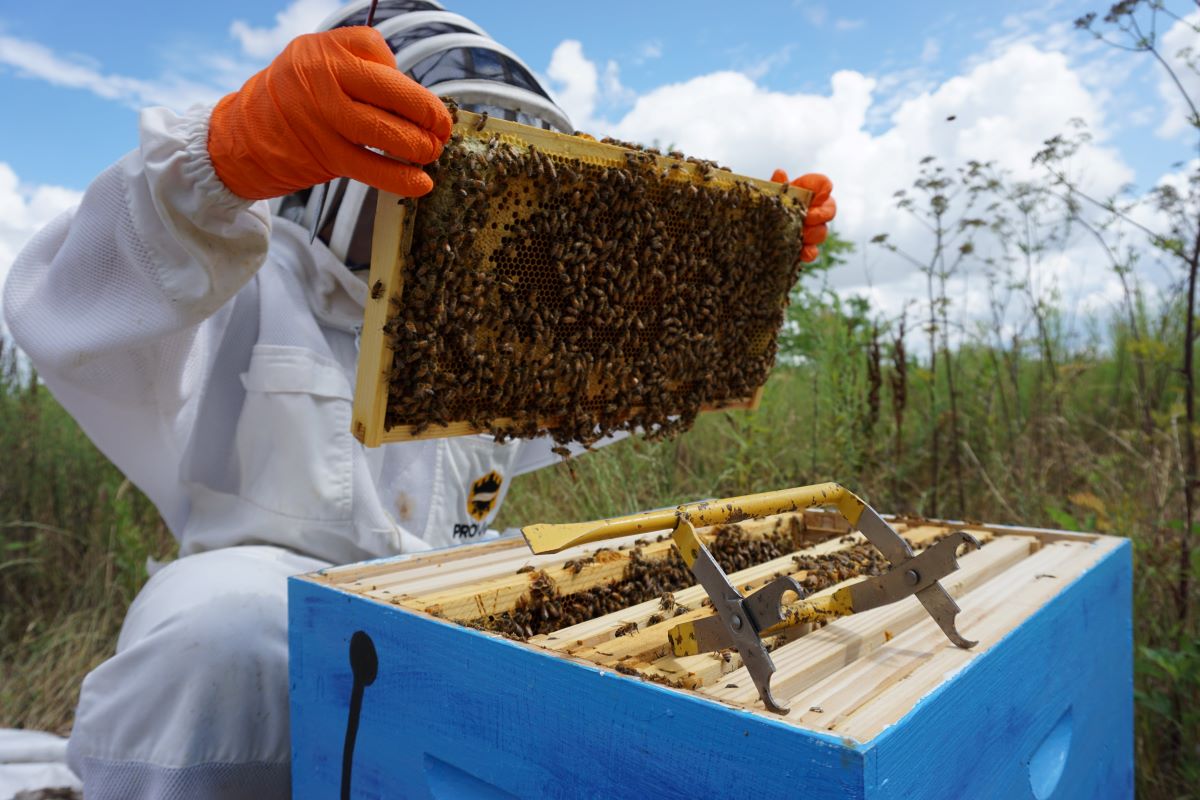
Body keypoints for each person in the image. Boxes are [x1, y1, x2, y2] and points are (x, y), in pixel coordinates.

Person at [2, 2, 837, 797]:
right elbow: (69, 302)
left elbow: (619, 381)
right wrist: (219, 161)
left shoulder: (502, 333)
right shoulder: (249, 274)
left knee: (636, 599)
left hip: (448, 580)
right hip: (266, 587)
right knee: (213, 643)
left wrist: (728, 284)